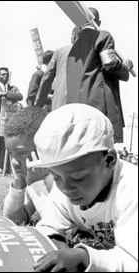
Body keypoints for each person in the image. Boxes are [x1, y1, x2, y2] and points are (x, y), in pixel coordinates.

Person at [27, 104, 137, 272]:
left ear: (109, 160)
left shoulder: (131, 190)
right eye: (56, 177)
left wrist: (84, 258)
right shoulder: (66, 185)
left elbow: (132, 262)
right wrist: (57, 245)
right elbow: (48, 226)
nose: (66, 188)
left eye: (78, 177)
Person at [59, 7, 133, 143]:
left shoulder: (73, 48)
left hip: (77, 109)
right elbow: (110, 64)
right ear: (98, 21)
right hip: (99, 107)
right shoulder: (103, 36)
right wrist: (125, 68)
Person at [3, 106, 54, 225]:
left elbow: (62, 227)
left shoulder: (61, 177)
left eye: (21, 153)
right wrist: (19, 184)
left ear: (42, 148)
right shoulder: (33, 176)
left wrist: (37, 185)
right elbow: (14, 220)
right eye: (11, 153)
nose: (14, 162)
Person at [0, 67, 23, 176]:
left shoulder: (13, 88)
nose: (5, 76)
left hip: (7, 122)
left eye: (6, 74)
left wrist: (5, 94)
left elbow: (20, 96)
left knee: (5, 147)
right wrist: (1, 99)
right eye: (2, 74)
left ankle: (5, 169)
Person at [35, 26, 81, 110]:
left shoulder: (60, 52)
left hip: (61, 104)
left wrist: (38, 104)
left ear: (73, 36)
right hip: (86, 107)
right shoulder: (95, 51)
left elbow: (47, 78)